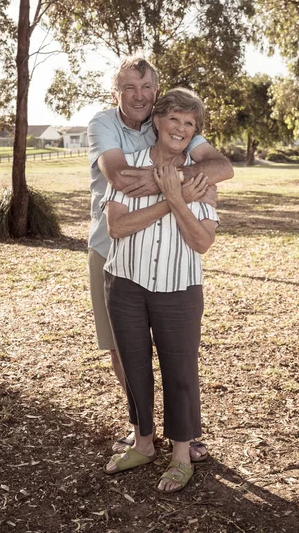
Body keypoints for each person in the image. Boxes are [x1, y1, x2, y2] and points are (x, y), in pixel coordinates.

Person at [88, 55, 233, 460]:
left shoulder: (177, 120)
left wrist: (180, 185)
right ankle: (142, 434)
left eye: (146, 87)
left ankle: (183, 440)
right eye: (129, 88)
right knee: (125, 352)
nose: (138, 95)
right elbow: (119, 180)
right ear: (117, 92)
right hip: (112, 253)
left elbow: (221, 167)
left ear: (156, 93)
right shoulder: (105, 125)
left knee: (178, 360)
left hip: (173, 271)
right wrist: (176, 193)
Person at [101, 88, 219, 493]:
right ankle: (144, 441)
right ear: (158, 120)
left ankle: (182, 455)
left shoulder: (201, 174)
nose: (182, 129)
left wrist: (177, 196)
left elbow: (202, 242)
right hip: (126, 283)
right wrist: (173, 199)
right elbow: (117, 227)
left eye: (190, 124)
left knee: (180, 371)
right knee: (133, 365)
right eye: (175, 120)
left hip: (179, 286)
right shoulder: (128, 169)